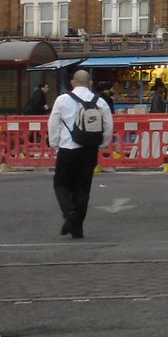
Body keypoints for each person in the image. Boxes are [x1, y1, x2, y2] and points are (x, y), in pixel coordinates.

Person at [47, 70, 114, 239]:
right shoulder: (100, 102)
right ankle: (78, 228)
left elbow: (53, 124)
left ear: (72, 82)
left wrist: (55, 144)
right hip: (89, 150)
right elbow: (108, 127)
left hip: (67, 148)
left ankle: (69, 212)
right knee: (82, 189)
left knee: (61, 184)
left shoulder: (62, 100)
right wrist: (101, 144)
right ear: (90, 83)